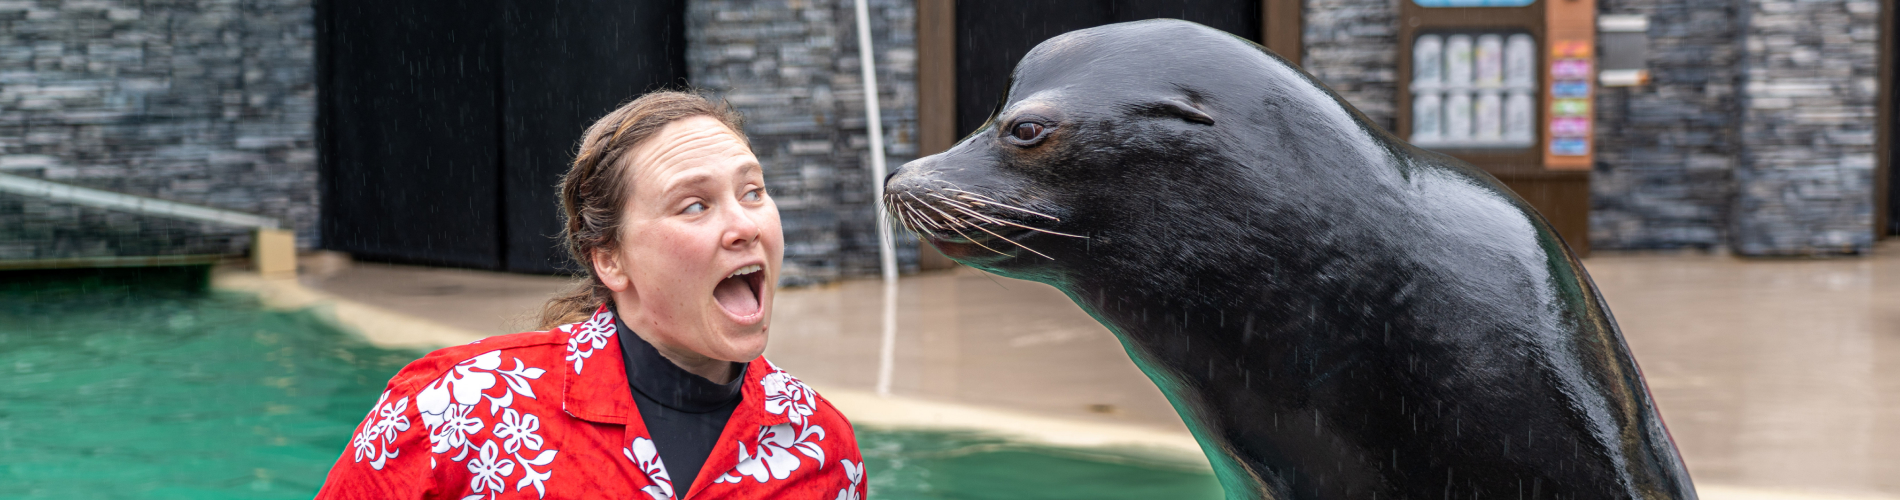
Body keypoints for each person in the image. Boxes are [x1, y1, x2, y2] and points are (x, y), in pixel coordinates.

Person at [316, 91, 866, 499]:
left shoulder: (821, 449)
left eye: (753, 192)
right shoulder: (455, 406)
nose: (745, 224)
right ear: (611, 259)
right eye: (694, 205)